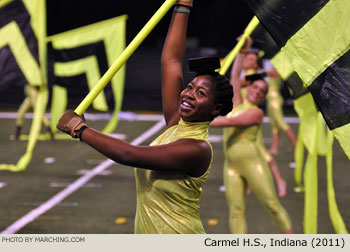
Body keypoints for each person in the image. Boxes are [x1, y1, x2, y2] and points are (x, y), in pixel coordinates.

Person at [57, 0, 233, 234]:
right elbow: (170, 61)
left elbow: (129, 154)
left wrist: (79, 129)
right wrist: (183, 6)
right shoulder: (176, 122)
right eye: (189, 87)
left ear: (215, 109)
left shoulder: (197, 149)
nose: (188, 94)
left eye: (200, 93)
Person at [210, 37, 293, 234]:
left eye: (261, 91)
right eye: (255, 87)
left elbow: (229, 122)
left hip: (254, 164)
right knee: (236, 212)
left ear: (263, 97)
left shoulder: (256, 113)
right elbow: (234, 77)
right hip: (231, 166)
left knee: (272, 205)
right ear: (249, 88)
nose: (257, 91)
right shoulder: (237, 101)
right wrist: (242, 51)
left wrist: (202, 119)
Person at [238, 47, 287, 197]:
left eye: (251, 59)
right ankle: (249, 183)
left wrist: (264, 73)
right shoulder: (246, 73)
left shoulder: (254, 76)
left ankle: (279, 180)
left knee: (260, 151)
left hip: (251, 119)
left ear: (255, 64)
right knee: (245, 153)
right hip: (241, 117)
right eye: (246, 58)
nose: (247, 61)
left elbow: (243, 82)